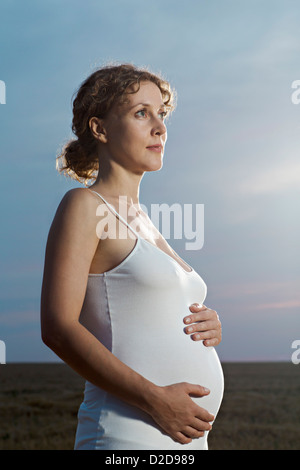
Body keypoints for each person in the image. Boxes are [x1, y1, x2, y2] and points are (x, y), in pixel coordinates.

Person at [40, 63, 224, 450]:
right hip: (125, 437)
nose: (159, 127)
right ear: (100, 128)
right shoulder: (84, 206)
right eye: (142, 113)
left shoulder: (145, 221)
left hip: (184, 441)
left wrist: (207, 325)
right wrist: (156, 401)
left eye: (162, 114)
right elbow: (58, 326)